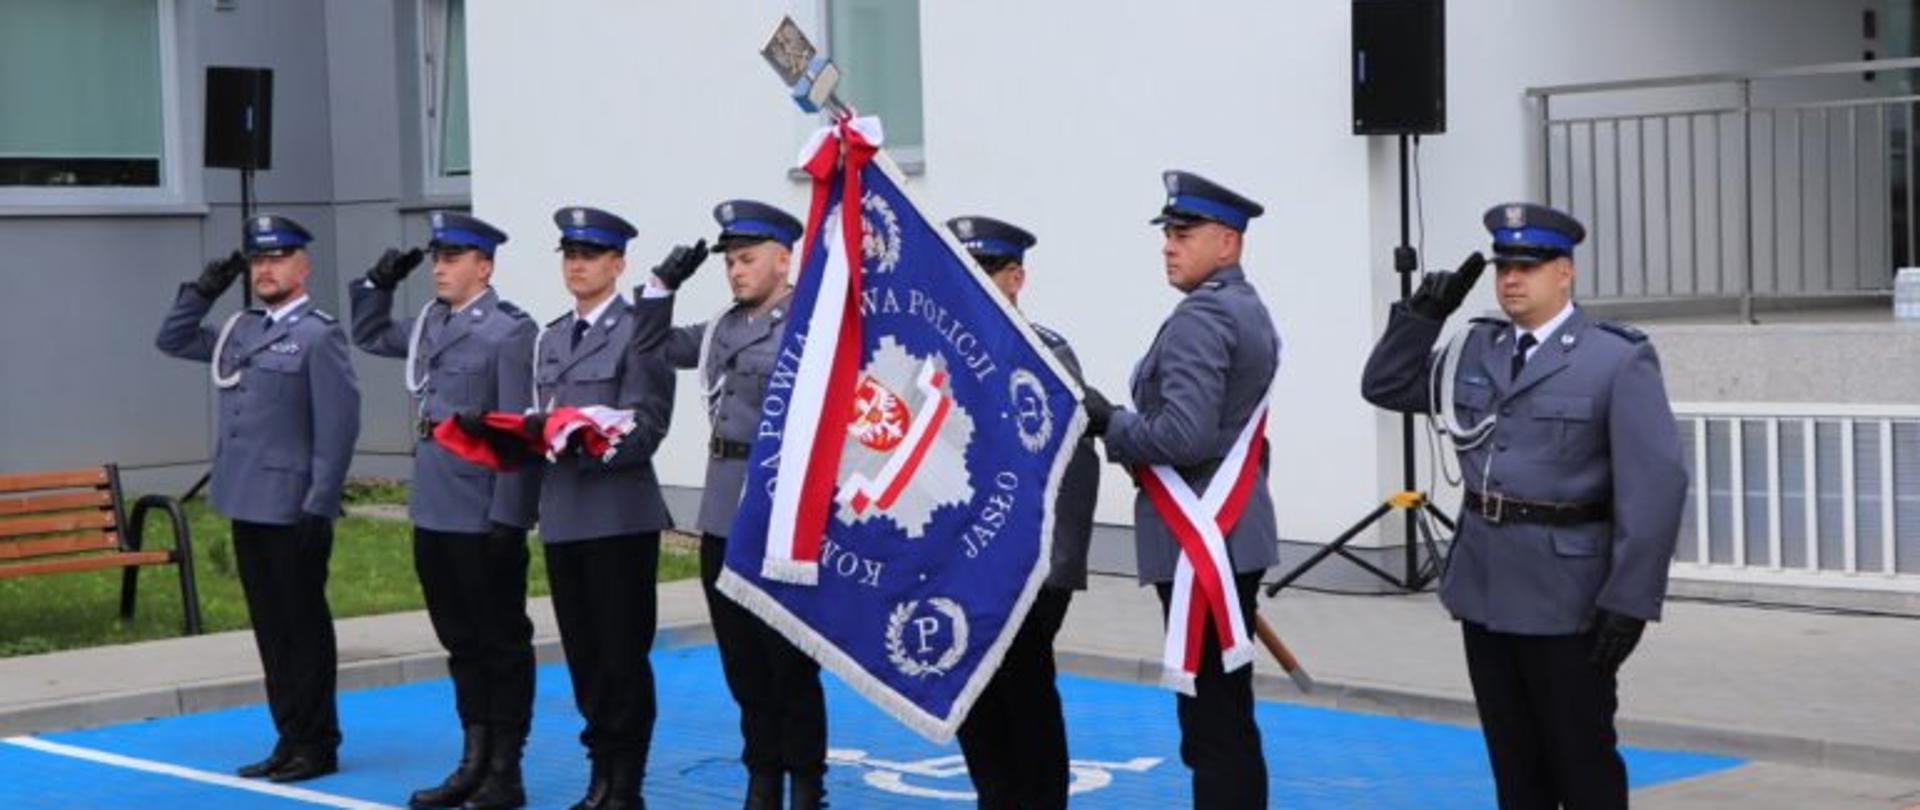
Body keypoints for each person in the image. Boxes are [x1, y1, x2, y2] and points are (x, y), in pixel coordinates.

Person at [1359, 202, 1687, 810]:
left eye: (1528, 266)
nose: (1511, 278)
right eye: (1503, 265)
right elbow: (1385, 386)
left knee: (1582, 765)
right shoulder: (1476, 348)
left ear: (1565, 272)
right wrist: (1422, 317)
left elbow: (1657, 486)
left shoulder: (1614, 357)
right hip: (1487, 587)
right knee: (1515, 771)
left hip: (1569, 597)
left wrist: (1630, 599)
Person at [1082, 171, 1280, 808]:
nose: (1168, 245)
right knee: (1225, 714)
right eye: (1167, 233)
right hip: (1227, 532)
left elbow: (1185, 436)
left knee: (1213, 725)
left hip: (1201, 537)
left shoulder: (1204, 317)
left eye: (1183, 233)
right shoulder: (1246, 308)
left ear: (1228, 243)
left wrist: (1114, 424)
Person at [155, 214, 361, 783]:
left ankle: (318, 742)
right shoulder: (240, 329)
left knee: (303, 627)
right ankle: (288, 736)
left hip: (293, 505)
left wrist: (321, 503)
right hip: (246, 499)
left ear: (303, 265)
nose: (265, 269)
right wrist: (203, 291)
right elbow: (171, 340)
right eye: (257, 261)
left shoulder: (320, 335)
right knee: (271, 629)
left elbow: (338, 427)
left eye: (276, 259)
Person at [347, 212, 538, 810]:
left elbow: (520, 432)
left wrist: (511, 517)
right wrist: (376, 284)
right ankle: (472, 758)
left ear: (484, 265)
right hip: (434, 506)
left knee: (499, 642)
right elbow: (371, 335)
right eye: (435, 258)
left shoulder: (509, 332)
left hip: (482, 509)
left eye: (453, 258)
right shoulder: (433, 322)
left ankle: (505, 769)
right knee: (459, 640)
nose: (440, 268)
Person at [644, 199, 829, 810]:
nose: (735, 270)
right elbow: (652, 346)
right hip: (724, 512)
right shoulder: (725, 327)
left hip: (781, 514)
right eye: (729, 261)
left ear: (784, 258)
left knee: (789, 661)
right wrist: (662, 284)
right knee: (742, 660)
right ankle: (762, 773)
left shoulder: (811, 322)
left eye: (747, 259)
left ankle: (804, 779)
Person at [944, 214, 1101, 810]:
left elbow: (1072, 469)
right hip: (960, 558)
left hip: (1027, 565)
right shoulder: (938, 355)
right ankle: (996, 797)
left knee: (1026, 689)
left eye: (987, 271)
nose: (975, 285)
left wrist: (1058, 567)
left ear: (1016, 278)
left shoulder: (1047, 355)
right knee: (972, 687)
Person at [532, 206, 681, 810]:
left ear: (618, 265)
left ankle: (627, 783)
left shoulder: (638, 330)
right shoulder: (550, 336)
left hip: (618, 513)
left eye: (590, 255)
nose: (577, 265)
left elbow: (649, 423)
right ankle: (600, 771)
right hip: (564, 514)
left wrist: (586, 442)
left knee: (621, 656)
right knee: (585, 657)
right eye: (570, 255)